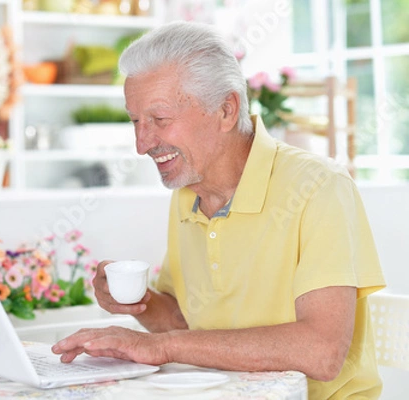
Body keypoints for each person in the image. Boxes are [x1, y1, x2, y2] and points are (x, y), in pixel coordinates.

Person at [51, 21, 386, 399]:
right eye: (135, 121)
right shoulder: (187, 192)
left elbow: (321, 352)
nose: (142, 144)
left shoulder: (320, 187)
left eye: (159, 120)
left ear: (227, 110)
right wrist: (138, 302)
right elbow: (185, 323)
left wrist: (163, 347)